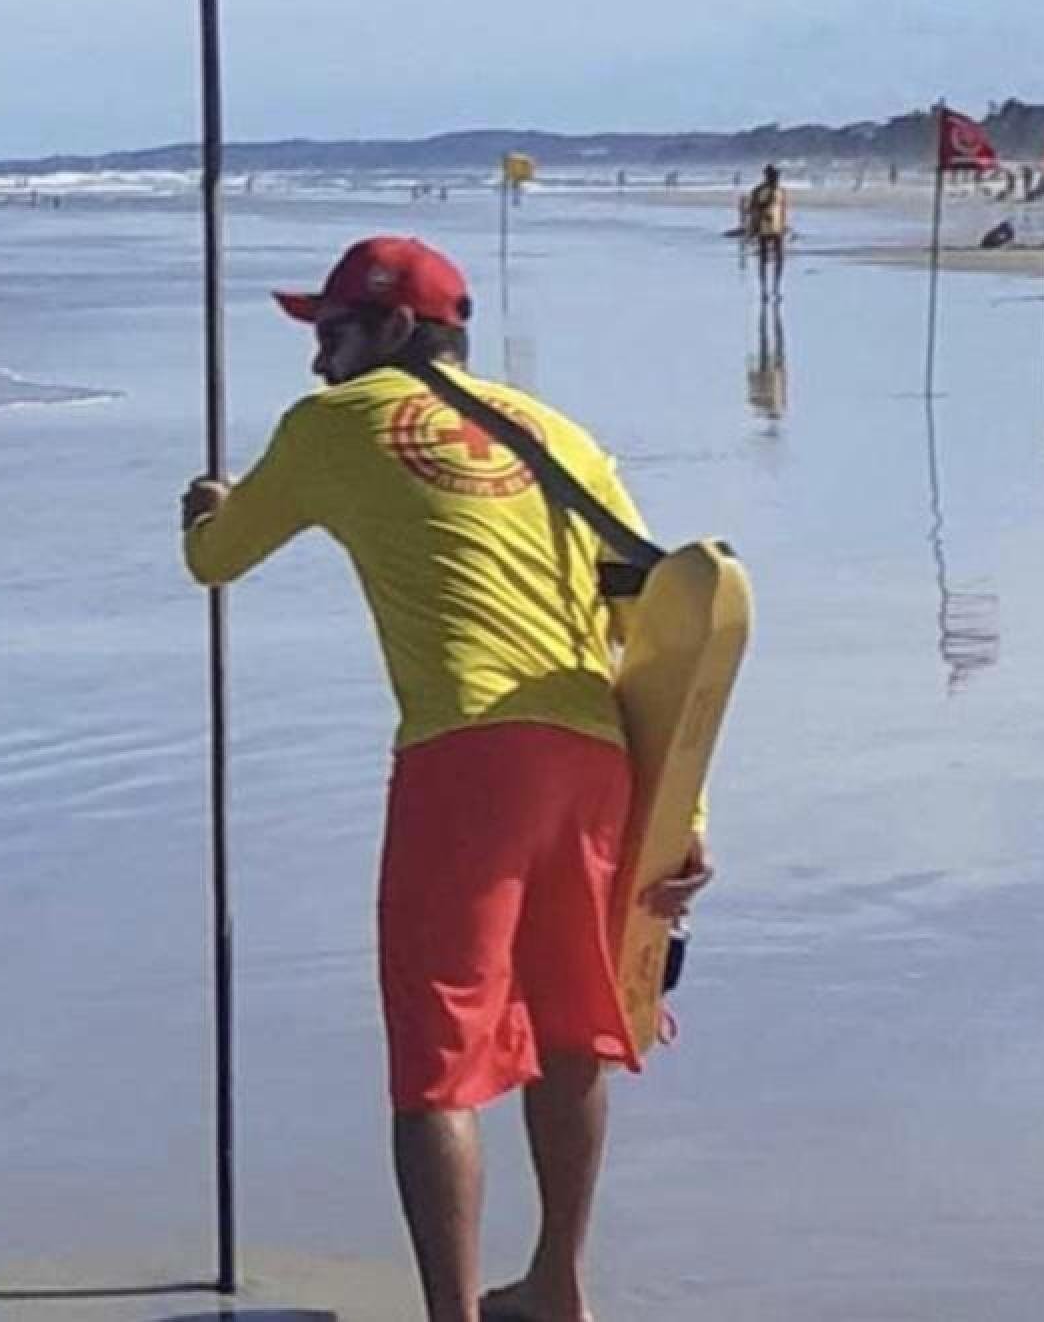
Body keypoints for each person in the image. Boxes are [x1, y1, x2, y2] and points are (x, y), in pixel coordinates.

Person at [180, 236, 712, 1322]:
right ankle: (558, 1285)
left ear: (392, 331)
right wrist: (680, 813)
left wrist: (202, 507)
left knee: (435, 1060)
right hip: (596, 753)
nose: (316, 360)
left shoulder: (334, 423)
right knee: (571, 1027)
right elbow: (653, 627)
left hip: (467, 754)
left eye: (331, 333)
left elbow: (215, 561)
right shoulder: (557, 434)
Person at [746, 164, 788, 298]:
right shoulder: (758, 191)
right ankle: (763, 289)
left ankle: (776, 288)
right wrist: (754, 226)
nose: (776, 178)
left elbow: (783, 209)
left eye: (776, 176)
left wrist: (784, 225)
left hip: (778, 229)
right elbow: (752, 209)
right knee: (763, 261)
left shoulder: (781, 191)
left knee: (779, 260)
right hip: (763, 229)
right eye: (774, 176)